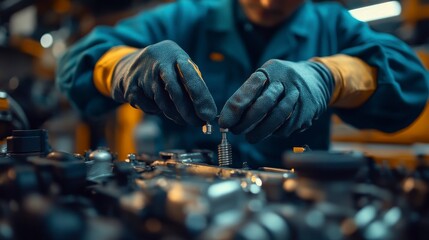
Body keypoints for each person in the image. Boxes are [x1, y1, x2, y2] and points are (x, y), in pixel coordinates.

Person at [56, 0, 429, 168]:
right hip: (187, 200)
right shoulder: (189, 16)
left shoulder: (332, 24)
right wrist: (124, 67)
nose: (269, 3)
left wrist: (328, 76)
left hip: (296, 209)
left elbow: (411, 81)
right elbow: (78, 61)